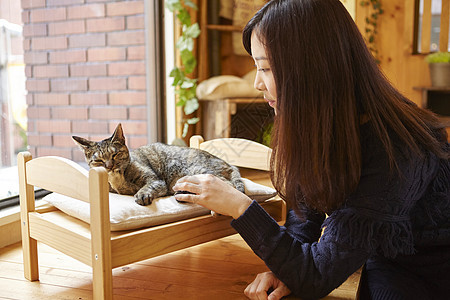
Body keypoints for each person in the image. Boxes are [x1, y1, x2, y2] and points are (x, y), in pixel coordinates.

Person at [174, 0, 450, 299]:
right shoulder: (321, 122)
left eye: (265, 68)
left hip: (433, 268)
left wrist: (240, 207)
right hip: (385, 256)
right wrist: (285, 268)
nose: (257, 83)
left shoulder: (397, 147)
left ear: (312, 68)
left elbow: (315, 277)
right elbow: (304, 220)